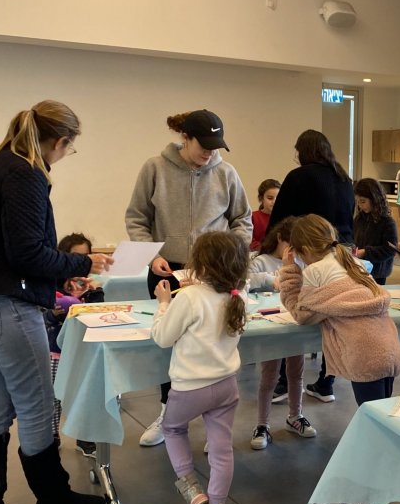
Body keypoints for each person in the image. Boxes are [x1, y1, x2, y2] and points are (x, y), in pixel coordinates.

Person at [0, 100, 113, 504]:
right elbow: (28, 253)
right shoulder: (25, 173)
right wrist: (83, 263)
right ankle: (54, 498)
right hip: (12, 306)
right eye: (69, 148)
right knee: (38, 407)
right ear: (60, 142)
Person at [125, 108, 252, 446]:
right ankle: (167, 412)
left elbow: (242, 220)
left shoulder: (226, 173)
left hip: (215, 273)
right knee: (168, 344)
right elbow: (137, 218)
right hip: (167, 269)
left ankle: (215, 422)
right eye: (203, 145)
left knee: (215, 343)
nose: (210, 152)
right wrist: (152, 255)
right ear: (185, 138)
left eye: (215, 147)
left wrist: (230, 255)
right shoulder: (155, 168)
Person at [278, 215, 400, 504]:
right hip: (387, 349)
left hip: (364, 356)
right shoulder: (351, 261)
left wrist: (290, 271)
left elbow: (302, 313)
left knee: (371, 429)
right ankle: (387, 491)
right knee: (380, 423)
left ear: (304, 250)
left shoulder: (315, 271)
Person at [151, 231, 249, 504]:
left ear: (200, 264)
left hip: (189, 387)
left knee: (173, 429)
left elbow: (162, 337)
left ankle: (191, 489)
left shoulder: (190, 297)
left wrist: (164, 304)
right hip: (226, 386)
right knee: (221, 449)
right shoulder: (238, 295)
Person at [270, 129, 355, 403]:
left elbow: (280, 218)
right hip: (343, 252)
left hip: (310, 252)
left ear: (301, 152)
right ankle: (327, 381)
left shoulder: (299, 177)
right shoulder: (344, 178)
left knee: (297, 311)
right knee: (333, 316)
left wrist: (273, 247)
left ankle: (284, 381)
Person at [248, 217, 316, 448]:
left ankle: (295, 416)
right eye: (290, 245)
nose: (292, 251)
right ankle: (262, 424)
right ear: (279, 239)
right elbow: (245, 280)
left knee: (296, 374)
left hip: (293, 324)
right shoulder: (261, 261)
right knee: (269, 377)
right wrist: (271, 279)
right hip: (272, 328)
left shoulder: (300, 263)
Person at [46, 232, 105, 459]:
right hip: (56, 352)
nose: (82, 262)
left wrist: (94, 293)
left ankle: (85, 438)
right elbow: (41, 318)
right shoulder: (51, 284)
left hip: (83, 351)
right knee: (53, 398)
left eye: (86, 257)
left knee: (84, 396)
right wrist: (54, 313)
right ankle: (52, 436)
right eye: (76, 257)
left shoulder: (91, 286)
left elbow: (99, 314)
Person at [353, 178, 400, 284]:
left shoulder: (387, 222)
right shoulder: (359, 219)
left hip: (378, 273)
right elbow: (354, 239)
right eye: (358, 202)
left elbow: (390, 250)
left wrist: (366, 252)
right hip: (361, 270)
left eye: (363, 201)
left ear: (374, 199)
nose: (360, 205)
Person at [251, 178, 280, 252]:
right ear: (261, 198)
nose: (274, 201)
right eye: (270, 198)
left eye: (278, 198)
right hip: (258, 255)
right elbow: (249, 240)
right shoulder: (253, 217)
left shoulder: (283, 218)